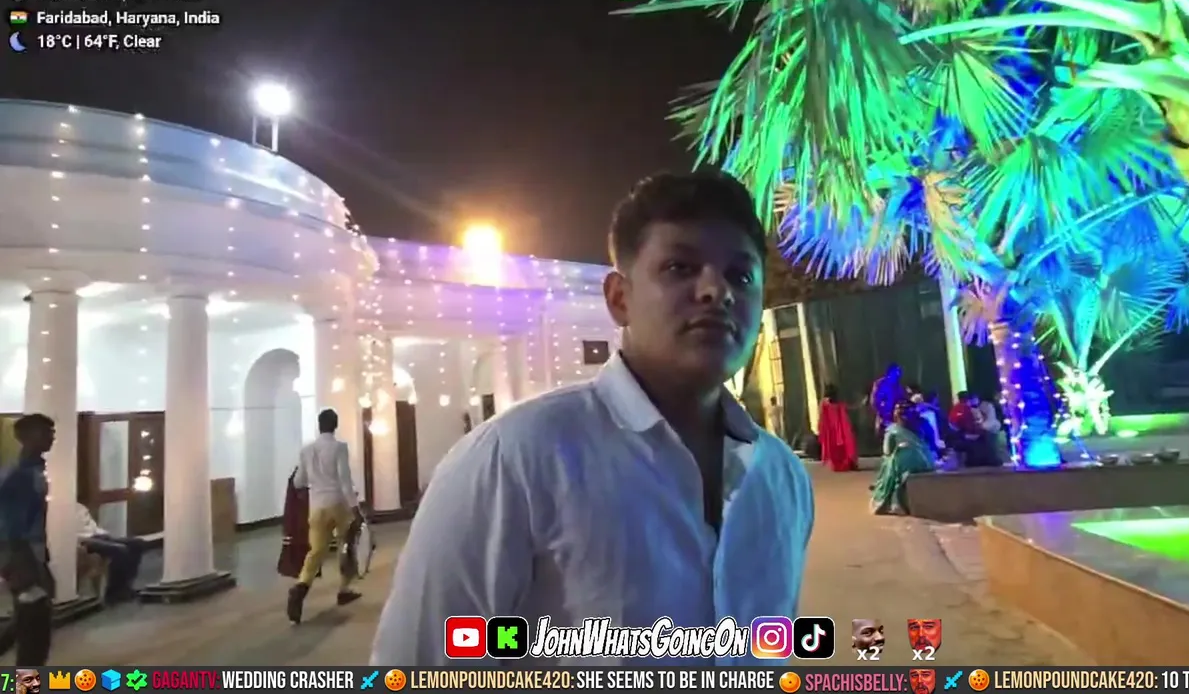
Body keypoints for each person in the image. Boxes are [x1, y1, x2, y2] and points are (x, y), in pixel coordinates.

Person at [371, 171, 814, 665]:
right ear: (619, 298)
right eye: (679, 267)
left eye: (741, 275)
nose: (717, 290)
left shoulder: (782, 476)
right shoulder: (513, 461)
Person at [287, 409, 363, 623]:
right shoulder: (339, 448)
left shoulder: (307, 450)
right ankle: (344, 589)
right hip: (337, 503)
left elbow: (298, 482)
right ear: (335, 425)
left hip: (317, 507)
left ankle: (301, 586)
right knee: (346, 545)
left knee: (316, 551)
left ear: (319, 425)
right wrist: (355, 508)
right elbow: (345, 481)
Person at [0, 414, 57, 665]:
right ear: (24, 437)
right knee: (34, 634)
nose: (51, 437)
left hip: (31, 556)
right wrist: (26, 568)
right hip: (21, 558)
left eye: (52, 432)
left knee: (26, 623)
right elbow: (11, 526)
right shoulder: (18, 475)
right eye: (44, 431)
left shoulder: (35, 470)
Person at [871, 402, 935, 515]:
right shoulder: (924, 424)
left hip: (904, 465)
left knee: (889, 463)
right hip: (927, 462)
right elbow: (932, 444)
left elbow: (887, 451)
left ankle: (892, 501)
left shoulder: (893, 430)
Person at [76, 500, 145, 603]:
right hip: (84, 540)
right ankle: (114, 591)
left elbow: (92, 526)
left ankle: (126, 586)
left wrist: (105, 535)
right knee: (119, 549)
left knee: (137, 543)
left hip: (98, 536)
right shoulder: (60, 512)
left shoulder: (79, 507)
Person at [817, 384, 856, 471]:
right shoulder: (835, 403)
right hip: (839, 428)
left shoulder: (824, 403)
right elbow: (848, 408)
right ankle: (846, 463)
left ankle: (841, 464)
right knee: (844, 446)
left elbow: (821, 416)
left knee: (835, 448)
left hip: (832, 429)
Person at [870, 363, 906, 438]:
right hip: (883, 419)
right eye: (895, 374)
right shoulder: (882, 385)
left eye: (898, 374)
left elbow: (901, 401)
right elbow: (877, 402)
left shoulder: (898, 388)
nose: (897, 376)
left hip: (893, 420)